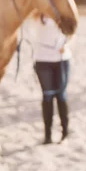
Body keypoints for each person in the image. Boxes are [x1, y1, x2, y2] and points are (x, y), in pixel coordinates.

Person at [32, 15, 72, 144]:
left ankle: (65, 132)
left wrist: (67, 44)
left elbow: (72, 32)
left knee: (61, 95)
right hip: (43, 59)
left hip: (62, 58)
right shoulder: (37, 15)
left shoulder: (62, 11)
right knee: (47, 95)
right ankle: (47, 135)